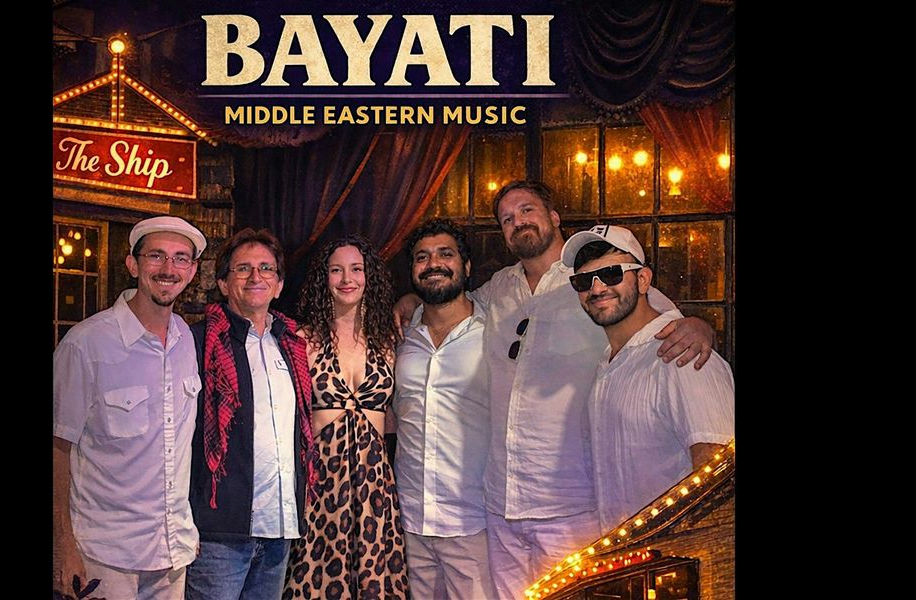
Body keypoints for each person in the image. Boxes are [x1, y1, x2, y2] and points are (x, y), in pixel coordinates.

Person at [394, 181, 716, 599]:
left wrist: (698, 326)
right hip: (502, 506)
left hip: (573, 506)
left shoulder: (593, 279)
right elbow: (447, 300)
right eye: (507, 218)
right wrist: (411, 301)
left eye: (527, 210)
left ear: (553, 216)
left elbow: (654, 317)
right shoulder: (498, 288)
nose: (518, 222)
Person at [53, 216, 208, 600]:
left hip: (171, 552)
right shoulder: (86, 343)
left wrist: (183, 529)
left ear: (192, 271)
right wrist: (63, 545)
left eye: (180, 258)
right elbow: (58, 448)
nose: (168, 268)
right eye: (156, 256)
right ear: (133, 265)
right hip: (104, 554)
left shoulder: (186, 339)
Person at [561, 225, 734, 534]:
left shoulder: (683, 354)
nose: (597, 289)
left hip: (679, 554)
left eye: (612, 274)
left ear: (642, 279)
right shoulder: (609, 363)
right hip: (624, 552)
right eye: (584, 281)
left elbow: (719, 480)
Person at [185, 228, 319, 600]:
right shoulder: (198, 343)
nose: (256, 277)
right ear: (223, 283)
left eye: (266, 268)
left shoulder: (292, 345)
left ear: (279, 285)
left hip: (279, 528)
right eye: (243, 268)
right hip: (220, 530)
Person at [283, 234, 409, 600]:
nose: (347, 279)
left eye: (356, 269)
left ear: (370, 276)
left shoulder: (389, 340)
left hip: (375, 484)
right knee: (315, 579)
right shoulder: (303, 339)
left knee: (374, 579)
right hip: (320, 482)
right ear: (324, 278)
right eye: (336, 270)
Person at [393, 219, 496, 599]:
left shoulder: (496, 330)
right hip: (410, 521)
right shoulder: (400, 334)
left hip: (475, 523)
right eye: (422, 257)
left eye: (445, 254)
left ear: (466, 267)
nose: (433, 263)